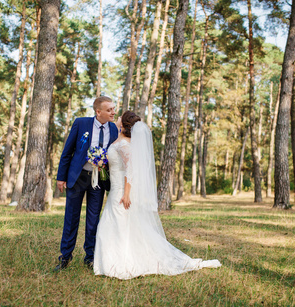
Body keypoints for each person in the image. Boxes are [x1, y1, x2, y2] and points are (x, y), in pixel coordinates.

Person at [93, 111, 221, 280]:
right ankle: (111, 262)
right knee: (118, 224)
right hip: (116, 187)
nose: (116, 117)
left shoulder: (124, 144)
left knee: (116, 224)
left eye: (120, 117)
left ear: (124, 124)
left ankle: (120, 264)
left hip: (121, 191)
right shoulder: (121, 139)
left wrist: (126, 194)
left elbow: (130, 169)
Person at [54, 96, 119, 271]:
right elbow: (68, 150)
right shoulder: (81, 123)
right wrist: (61, 177)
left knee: (93, 220)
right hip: (78, 177)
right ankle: (65, 257)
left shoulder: (113, 129)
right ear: (98, 112)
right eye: (109, 110)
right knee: (71, 218)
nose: (113, 112)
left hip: (98, 180)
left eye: (113, 109)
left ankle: (90, 257)